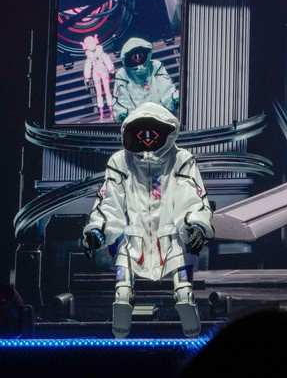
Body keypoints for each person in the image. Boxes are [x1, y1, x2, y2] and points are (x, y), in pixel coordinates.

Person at [82, 102, 214, 338]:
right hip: (134, 238)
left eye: (153, 133)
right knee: (122, 295)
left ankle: (192, 338)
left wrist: (196, 224)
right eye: (141, 133)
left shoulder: (181, 159)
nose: (147, 138)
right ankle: (120, 341)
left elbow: (191, 197)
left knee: (183, 294)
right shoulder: (120, 161)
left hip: (172, 238)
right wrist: (98, 230)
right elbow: (109, 201)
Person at [112, 37, 179, 122]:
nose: (137, 58)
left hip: (160, 116)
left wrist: (174, 99)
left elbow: (165, 85)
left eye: (140, 54)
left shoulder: (155, 66)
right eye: (133, 55)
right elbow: (122, 97)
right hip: (137, 121)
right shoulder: (122, 74)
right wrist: (123, 113)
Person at [82, 34, 116, 122]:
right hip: (96, 73)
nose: (91, 45)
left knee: (107, 91)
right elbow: (88, 65)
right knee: (99, 93)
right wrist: (87, 76)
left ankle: (111, 112)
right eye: (89, 44)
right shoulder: (89, 54)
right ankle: (101, 114)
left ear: (95, 42)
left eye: (92, 43)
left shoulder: (100, 50)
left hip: (103, 71)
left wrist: (111, 68)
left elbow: (106, 58)